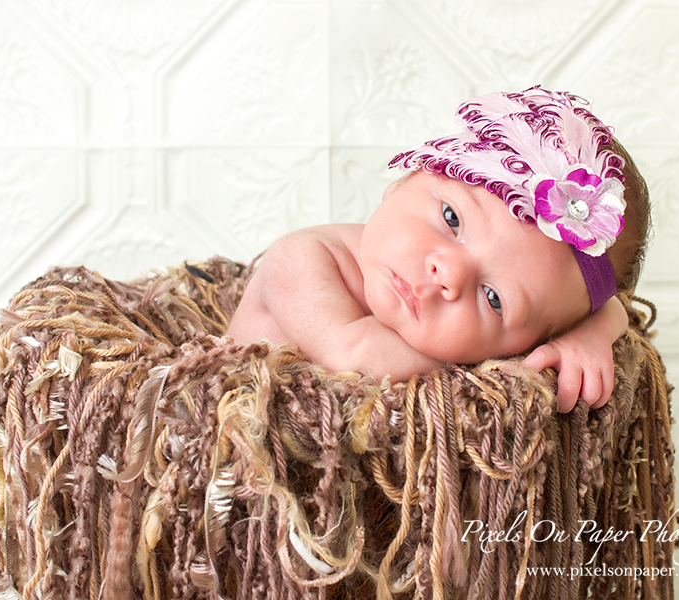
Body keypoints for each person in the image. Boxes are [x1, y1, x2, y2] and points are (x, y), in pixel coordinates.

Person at [227, 86, 651, 413]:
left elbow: (612, 305)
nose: (447, 274)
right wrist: (521, 368)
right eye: (451, 220)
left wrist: (590, 334)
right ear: (408, 178)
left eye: (493, 297)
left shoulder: (469, 325)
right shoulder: (301, 259)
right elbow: (355, 357)